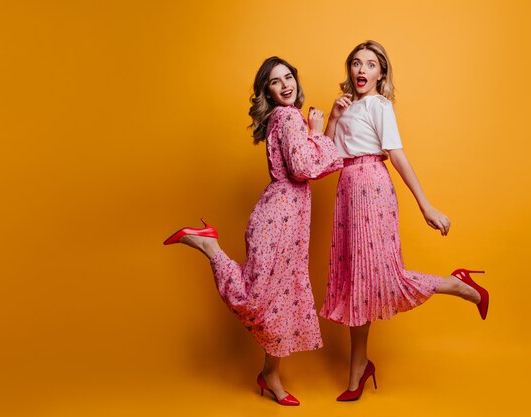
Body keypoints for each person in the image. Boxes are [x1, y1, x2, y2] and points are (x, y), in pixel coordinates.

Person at [164, 56, 343, 406]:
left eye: (288, 77)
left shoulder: (287, 118)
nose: (286, 85)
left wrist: (325, 125)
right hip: (277, 220)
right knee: (257, 299)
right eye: (276, 82)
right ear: (268, 91)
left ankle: (269, 374)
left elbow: (313, 161)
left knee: (283, 300)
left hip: (287, 220)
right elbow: (305, 167)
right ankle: (209, 245)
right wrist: (318, 131)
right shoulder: (289, 116)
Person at [319, 40, 490, 401]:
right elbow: (326, 159)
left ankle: (458, 285)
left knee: (382, 277)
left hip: (371, 188)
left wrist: (426, 206)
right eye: (355, 63)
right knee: (356, 282)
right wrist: (333, 118)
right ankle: (359, 368)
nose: (361, 70)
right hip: (346, 191)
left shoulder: (380, 106)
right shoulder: (347, 107)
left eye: (370, 64)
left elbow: (396, 155)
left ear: (382, 73)